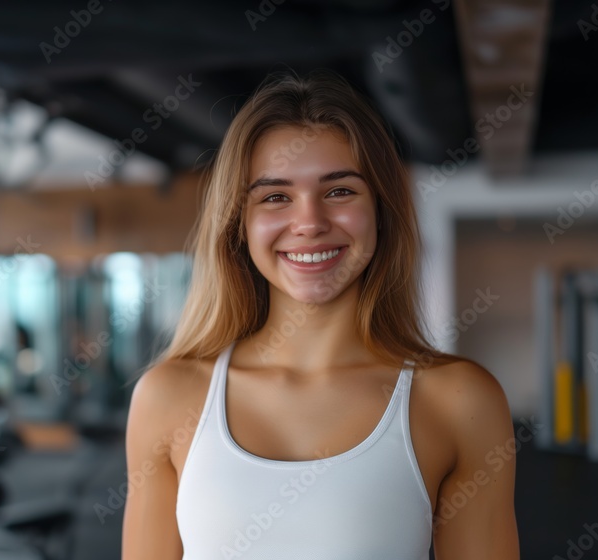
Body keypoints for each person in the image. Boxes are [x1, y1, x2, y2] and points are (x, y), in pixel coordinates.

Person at [121, 69, 519, 559]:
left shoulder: (458, 400)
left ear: (382, 211)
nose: (309, 222)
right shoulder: (167, 396)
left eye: (339, 191)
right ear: (238, 225)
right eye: (275, 197)